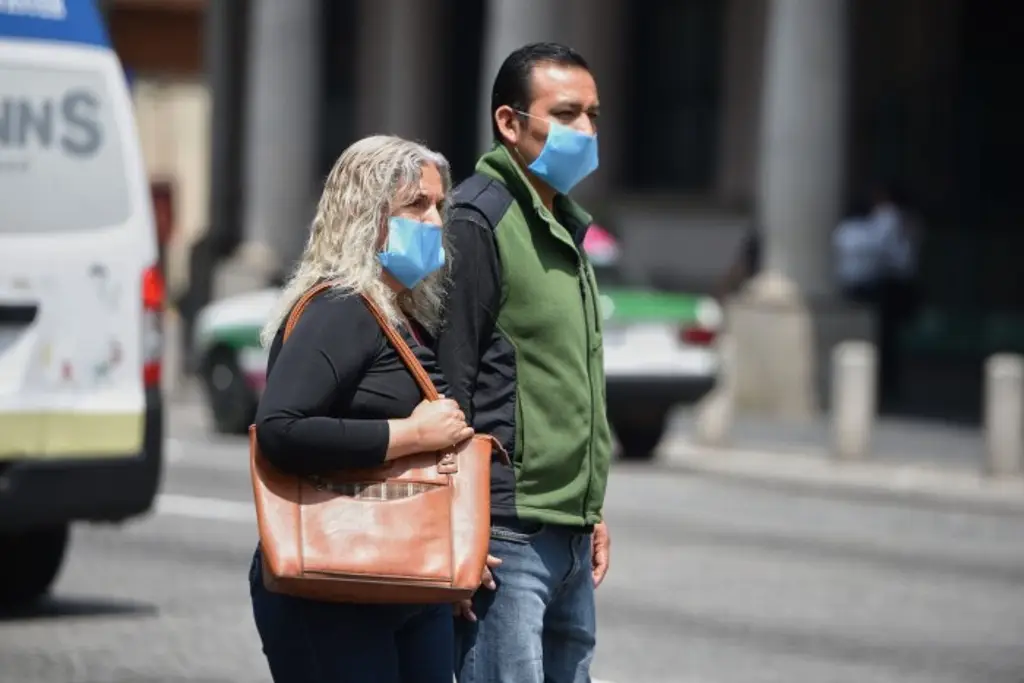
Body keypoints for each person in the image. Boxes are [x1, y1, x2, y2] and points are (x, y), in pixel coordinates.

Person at [249, 135, 477, 683]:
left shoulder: (397, 315)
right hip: (332, 585)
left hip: (405, 578)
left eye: (439, 205)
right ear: (365, 215)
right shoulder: (340, 308)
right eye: (416, 204)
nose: (434, 220)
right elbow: (280, 430)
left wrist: (455, 543)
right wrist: (410, 434)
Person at [433, 42, 612, 683]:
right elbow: (447, 384)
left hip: (569, 534)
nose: (585, 130)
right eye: (565, 114)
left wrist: (590, 509)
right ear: (509, 123)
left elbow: (566, 382)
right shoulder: (479, 218)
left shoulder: (563, 223)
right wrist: (460, 531)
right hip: (506, 537)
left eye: (592, 115)